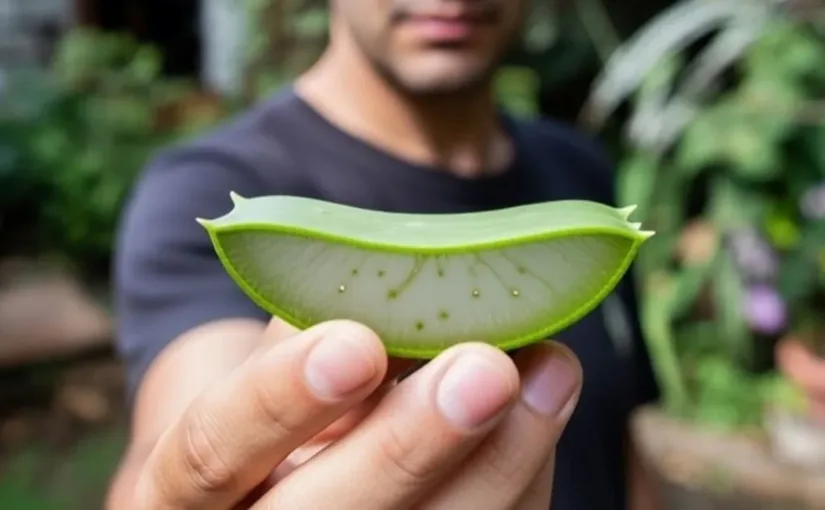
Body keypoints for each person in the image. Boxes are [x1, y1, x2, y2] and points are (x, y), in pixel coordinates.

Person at [105, 1, 660, 509]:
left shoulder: (580, 174)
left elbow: (620, 446)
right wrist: (185, 484)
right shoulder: (202, 191)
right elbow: (173, 433)